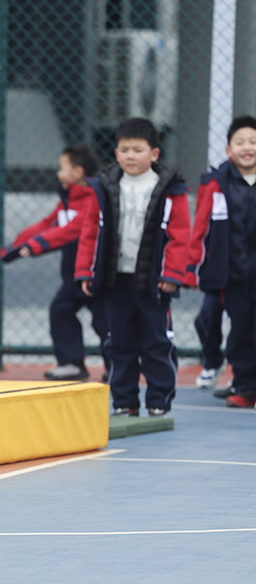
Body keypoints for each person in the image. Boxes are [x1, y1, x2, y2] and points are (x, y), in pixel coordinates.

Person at [75, 118, 190, 416]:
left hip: (153, 283)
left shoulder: (171, 189)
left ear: (154, 153)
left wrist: (171, 274)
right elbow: (90, 232)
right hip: (115, 281)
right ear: (115, 153)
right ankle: (124, 402)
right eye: (124, 150)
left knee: (156, 342)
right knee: (119, 343)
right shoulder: (103, 187)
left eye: (138, 150)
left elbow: (180, 236)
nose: (130, 156)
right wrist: (86, 270)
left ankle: (158, 402)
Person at [0, 143, 110, 381]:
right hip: (72, 277)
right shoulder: (68, 199)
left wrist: (35, 246)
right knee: (60, 311)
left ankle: (116, 366)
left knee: (105, 322)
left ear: (78, 172)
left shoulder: (93, 199)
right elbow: (47, 224)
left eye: (62, 168)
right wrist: (16, 245)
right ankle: (72, 363)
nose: (59, 173)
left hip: (95, 276)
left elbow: (70, 230)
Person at [186, 115, 256, 406]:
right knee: (240, 332)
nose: (247, 147)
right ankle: (246, 388)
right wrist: (192, 267)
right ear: (228, 150)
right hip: (233, 275)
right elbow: (200, 228)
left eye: (253, 142)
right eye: (240, 142)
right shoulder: (215, 184)